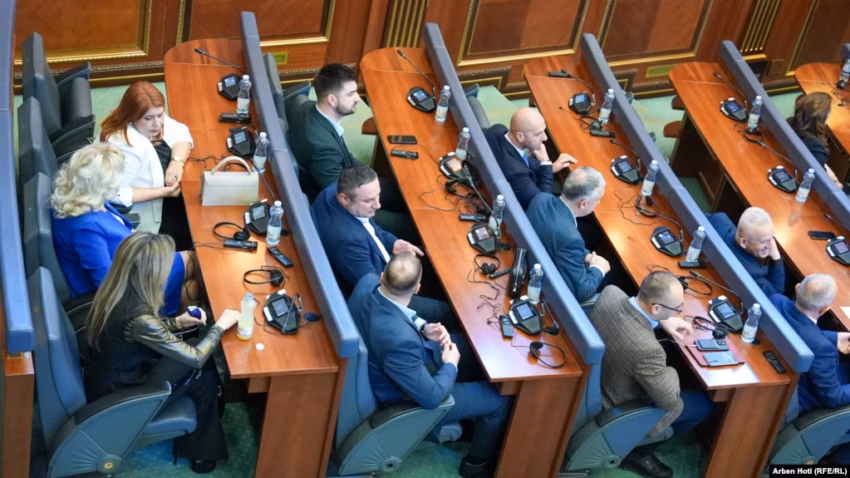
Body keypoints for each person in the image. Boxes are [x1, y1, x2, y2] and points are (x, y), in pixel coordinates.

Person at [83, 232, 241, 474]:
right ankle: (202, 453)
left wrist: (177, 322)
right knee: (204, 370)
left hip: (107, 377)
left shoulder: (115, 290)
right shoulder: (141, 317)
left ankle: (203, 451)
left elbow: (135, 333)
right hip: (121, 394)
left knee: (198, 350)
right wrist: (220, 326)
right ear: (152, 273)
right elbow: (196, 357)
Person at [348, 253, 511, 478]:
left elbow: (395, 312)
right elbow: (432, 398)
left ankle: (470, 417)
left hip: (400, 362)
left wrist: (423, 327)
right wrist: (451, 364)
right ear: (417, 289)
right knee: (500, 400)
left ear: (382, 276)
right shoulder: (400, 342)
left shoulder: (367, 282)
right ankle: (475, 466)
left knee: (473, 348)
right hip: (403, 398)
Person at [51, 143, 198, 315]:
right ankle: (176, 320)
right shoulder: (85, 228)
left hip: (135, 261)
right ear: (101, 186)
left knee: (194, 277)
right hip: (132, 284)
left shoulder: (83, 197)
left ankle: (179, 319)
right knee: (195, 267)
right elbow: (107, 283)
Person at [590, 272, 711, 478]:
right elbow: (669, 401)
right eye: (677, 308)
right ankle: (637, 452)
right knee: (702, 404)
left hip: (598, 379)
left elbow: (633, 313)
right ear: (656, 308)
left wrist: (663, 321)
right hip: (616, 405)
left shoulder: (611, 292)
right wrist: (670, 370)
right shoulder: (648, 351)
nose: (679, 311)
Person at [287, 64, 410, 236]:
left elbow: (347, 158)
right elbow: (342, 199)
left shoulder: (309, 107)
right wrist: (371, 195)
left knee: (404, 189)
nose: (358, 99)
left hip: (349, 181)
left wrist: (369, 176)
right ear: (332, 100)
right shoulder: (323, 148)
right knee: (412, 226)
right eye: (351, 94)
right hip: (342, 208)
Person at [100, 81, 192, 249]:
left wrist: (177, 162)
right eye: (149, 118)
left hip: (162, 200)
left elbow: (181, 132)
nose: (157, 124)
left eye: (160, 115)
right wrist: (162, 192)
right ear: (132, 115)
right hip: (144, 215)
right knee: (196, 230)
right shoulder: (126, 148)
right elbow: (112, 193)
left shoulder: (142, 117)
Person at [770, 274, 850, 464]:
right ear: (825, 308)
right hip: (802, 399)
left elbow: (798, 328)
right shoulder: (821, 348)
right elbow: (834, 398)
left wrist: (832, 338)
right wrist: (825, 342)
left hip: (786, 381)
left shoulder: (775, 301)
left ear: (797, 288)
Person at [311, 162, 422, 295]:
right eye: (368, 201)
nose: (378, 205)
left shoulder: (333, 191)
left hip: (384, 261)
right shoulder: (350, 242)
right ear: (345, 199)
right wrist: (406, 287)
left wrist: (393, 243)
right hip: (389, 290)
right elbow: (374, 291)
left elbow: (370, 229)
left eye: (378, 195)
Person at [526, 167, 612, 302]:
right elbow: (582, 292)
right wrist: (599, 268)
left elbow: (560, 245)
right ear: (583, 204)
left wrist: (585, 255)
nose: (599, 202)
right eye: (598, 200)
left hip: (532, 261)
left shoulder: (541, 198)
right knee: (613, 277)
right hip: (546, 290)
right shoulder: (572, 239)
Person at [484, 107, 576, 209]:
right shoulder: (517, 174)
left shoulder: (497, 130)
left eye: (544, 131)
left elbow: (521, 159)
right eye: (538, 134)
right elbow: (544, 204)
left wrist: (551, 167)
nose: (545, 138)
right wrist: (545, 163)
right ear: (520, 137)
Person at [708, 207, 785, 296]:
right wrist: (776, 256)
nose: (770, 245)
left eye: (771, 238)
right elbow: (776, 294)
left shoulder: (719, 219)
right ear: (744, 242)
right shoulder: (753, 274)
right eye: (764, 241)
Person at [788, 92, 842, 189]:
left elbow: (816, 161)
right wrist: (837, 184)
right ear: (823, 117)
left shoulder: (790, 121)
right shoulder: (816, 147)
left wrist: (826, 169)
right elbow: (819, 180)